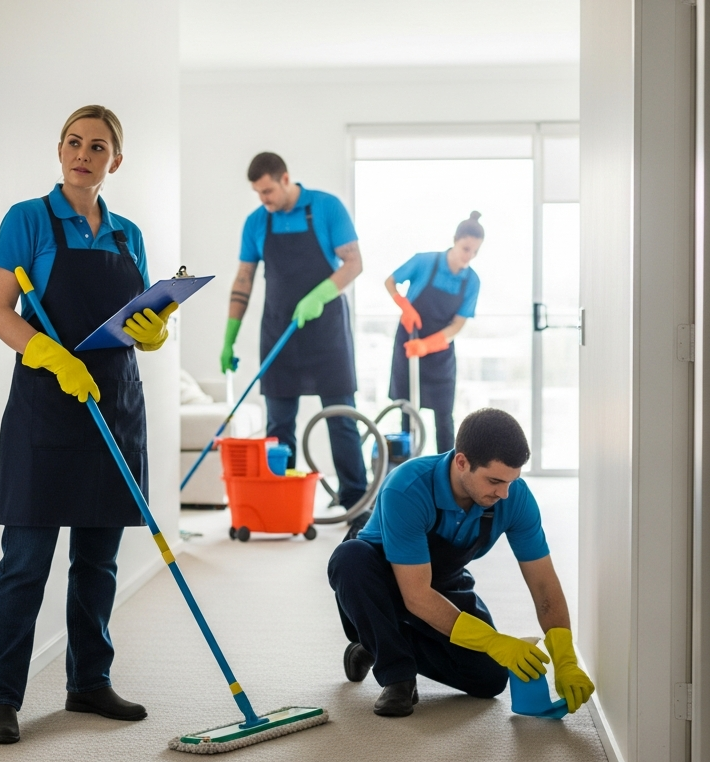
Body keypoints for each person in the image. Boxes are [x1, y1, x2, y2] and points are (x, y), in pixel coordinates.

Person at [0, 105, 176, 744]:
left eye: (97, 146)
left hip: (113, 406)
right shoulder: (27, 219)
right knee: (25, 561)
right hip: (47, 405)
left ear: (114, 161)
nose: (83, 154)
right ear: (59, 150)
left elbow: (137, 314)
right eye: (73, 142)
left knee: (99, 561)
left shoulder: (128, 236)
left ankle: (89, 681)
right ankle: (3, 699)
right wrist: (52, 355)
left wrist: (153, 332)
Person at [327, 408, 595, 718]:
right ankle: (396, 675)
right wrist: (493, 640)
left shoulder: (513, 497)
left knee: (490, 678)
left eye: (512, 481)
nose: (505, 493)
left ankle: (374, 642)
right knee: (350, 557)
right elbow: (415, 595)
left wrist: (565, 659)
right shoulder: (407, 487)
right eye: (495, 480)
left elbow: (545, 587)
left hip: (445, 582)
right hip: (378, 584)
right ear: (462, 461)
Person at [221, 152, 367, 509]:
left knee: (340, 417)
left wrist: (320, 294)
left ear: (285, 179)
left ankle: (356, 500)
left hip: (326, 332)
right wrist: (229, 337)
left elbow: (354, 263)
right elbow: (244, 279)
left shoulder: (326, 207)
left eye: (268, 191)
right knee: (279, 423)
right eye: (258, 193)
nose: (264, 200)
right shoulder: (257, 222)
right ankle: (282, 502)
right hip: (278, 330)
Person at [386, 212, 485, 454]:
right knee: (408, 411)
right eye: (466, 249)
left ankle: (448, 472)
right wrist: (405, 306)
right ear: (454, 240)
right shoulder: (425, 262)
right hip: (409, 341)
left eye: (475, 252)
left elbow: (458, 324)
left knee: (443, 416)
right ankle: (407, 467)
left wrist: (428, 345)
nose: (469, 256)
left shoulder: (471, 281)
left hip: (440, 350)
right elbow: (391, 281)